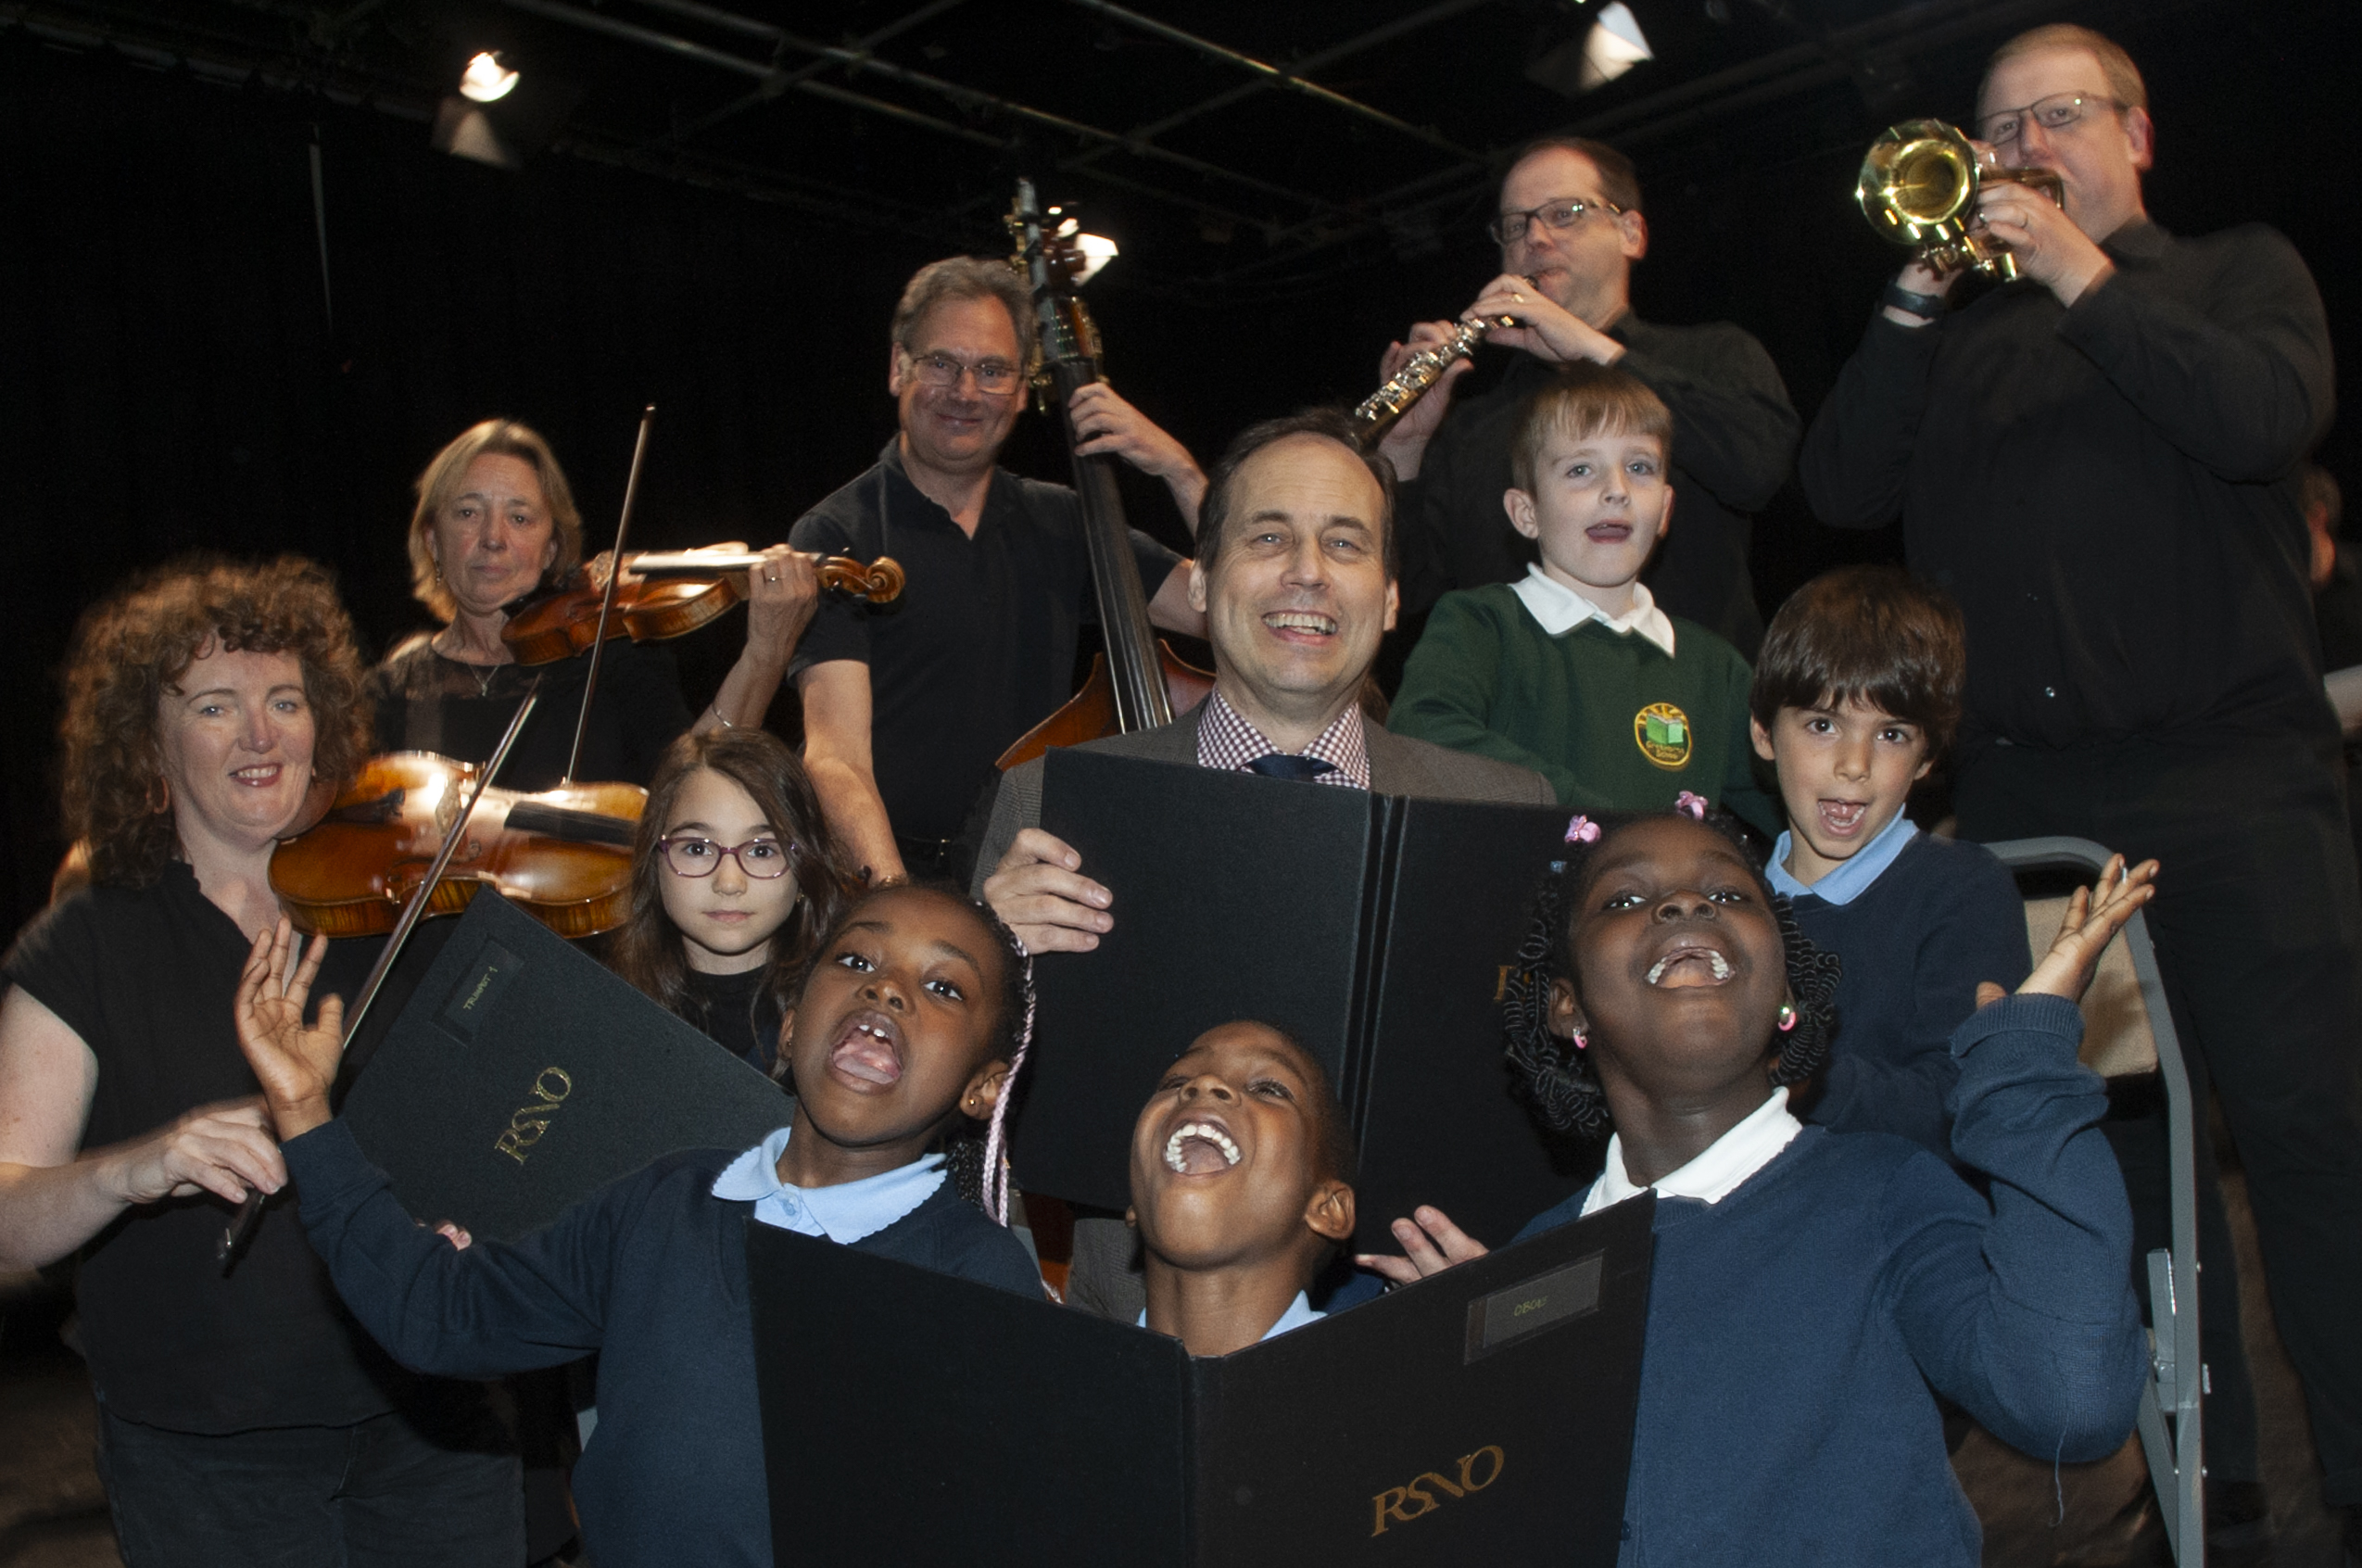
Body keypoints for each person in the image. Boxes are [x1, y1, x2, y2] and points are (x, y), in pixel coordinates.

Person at [1798, 24, 2362, 1545]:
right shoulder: (1956, 332)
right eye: (1994, 127)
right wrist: (1914, 296)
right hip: (2038, 800)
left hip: (2233, 779)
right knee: (2115, 1163)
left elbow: (2258, 418)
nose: (2017, 146)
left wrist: (2067, 264)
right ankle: (2206, 1481)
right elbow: (1838, 486)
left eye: (2052, 115)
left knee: (2310, 1147)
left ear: (2133, 132)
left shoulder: (2231, 272)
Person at [1362, 804, 2152, 1566]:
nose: (1682, 903)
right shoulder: (1539, 1263)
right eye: (1626, 898)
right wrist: (1490, 1372)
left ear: (1783, 993)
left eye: (1727, 894)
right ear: (1568, 1008)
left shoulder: (1883, 1194)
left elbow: (2069, 1397)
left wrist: (2022, 1073)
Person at [230, 882, 1043, 1567]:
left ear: (982, 1087)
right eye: (857, 960)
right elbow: (442, 1315)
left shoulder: (975, 1279)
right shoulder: (669, 1201)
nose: (886, 988)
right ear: (792, 1023)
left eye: (943, 987)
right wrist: (307, 1115)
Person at [974, 407, 1549, 1323]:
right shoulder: (1048, 806)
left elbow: (1548, 1110)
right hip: (1140, 1339)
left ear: (1392, 596)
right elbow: (972, 1131)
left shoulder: (1506, 814)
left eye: (1344, 544)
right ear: (1198, 583)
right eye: (1269, 536)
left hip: (1411, 1329)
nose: (1307, 573)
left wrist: (1498, 1281)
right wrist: (985, 977)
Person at [0, 556, 522, 1564]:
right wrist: (133, 1166)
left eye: (285, 698)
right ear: (146, 741)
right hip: (210, 1451)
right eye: (213, 705)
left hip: (433, 1415)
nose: (259, 732)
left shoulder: (406, 909)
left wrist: (487, 1213)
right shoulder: (89, 944)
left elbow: (514, 1127)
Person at [789, 257, 1210, 884]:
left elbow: (1228, 613)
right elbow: (836, 758)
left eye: (991, 371)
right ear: (896, 367)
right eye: (941, 363)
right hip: (890, 872)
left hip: (1028, 870)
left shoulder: (1064, 521)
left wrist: (1180, 470)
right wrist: (900, 905)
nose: (964, 392)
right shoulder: (837, 532)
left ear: (1020, 391)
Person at [1375, 136, 1797, 653]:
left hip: (1689, 714)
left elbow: (1757, 468)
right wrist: (1403, 447)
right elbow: (1409, 589)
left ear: (1631, 232)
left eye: (1565, 213)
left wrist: (1587, 346)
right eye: (1515, 224)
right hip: (1514, 722)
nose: (1535, 237)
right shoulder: (1473, 422)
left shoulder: (1713, 355)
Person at [1390, 363, 1778, 833]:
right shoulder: (1483, 625)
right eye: (1580, 470)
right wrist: (1599, 824)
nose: (1616, 490)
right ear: (1525, 512)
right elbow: (1422, 735)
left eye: (1639, 468)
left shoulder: (1714, 667)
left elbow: (1795, 799)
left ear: (1665, 510)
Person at [372, 418, 815, 791]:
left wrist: (765, 655)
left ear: (550, 550)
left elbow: (695, 792)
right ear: (432, 540)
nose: (493, 538)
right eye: (468, 512)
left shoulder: (613, 660)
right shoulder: (392, 694)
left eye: (520, 518)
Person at [1746, 565, 2027, 1149]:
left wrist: (1794, 1074)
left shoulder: (1964, 891)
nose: (1855, 764)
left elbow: (1963, 1104)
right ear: (1764, 733)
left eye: (1892, 734)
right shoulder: (1725, 901)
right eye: (1823, 725)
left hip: (1909, 1214)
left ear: (1928, 756)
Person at [606, 727, 859, 1080]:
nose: (729, 883)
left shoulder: (844, 1022)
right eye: (697, 848)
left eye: (761, 850)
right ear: (654, 861)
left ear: (805, 866)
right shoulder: (606, 1013)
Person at [1127, 1021, 1357, 1356]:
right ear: (1133, 1200)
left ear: (1327, 1209)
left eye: (1268, 1088)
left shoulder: (1390, 1399)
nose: (1204, 1084)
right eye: (1177, 1082)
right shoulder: (1050, 1391)